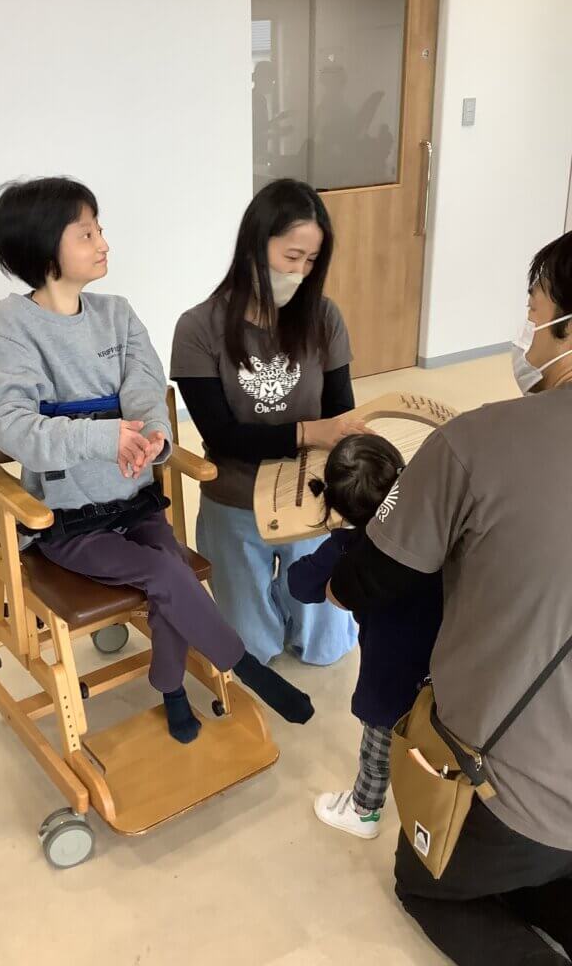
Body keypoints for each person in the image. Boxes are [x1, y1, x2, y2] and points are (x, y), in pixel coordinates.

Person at [0, 176, 314, 749]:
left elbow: (144, 383)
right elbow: (14, 427)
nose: (103, 243)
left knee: (169, 567)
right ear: (44, 248)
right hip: (67, 521)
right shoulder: (9, 328)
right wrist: (104, 438)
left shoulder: (117, 313)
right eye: (86, 234)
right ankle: (241, 666)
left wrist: (153, 432)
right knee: (164, 574)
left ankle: (171, 686)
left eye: (99, 230)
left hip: (133, 501)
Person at [327, 231, 572, 965]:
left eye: (534, 307)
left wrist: (333, 573)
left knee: (426, 884)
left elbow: (369, 579)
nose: (526, 325)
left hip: (514, 795)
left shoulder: (475, 444)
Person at [170, 178, 364, 667]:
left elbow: (340, 410)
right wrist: (307, 432)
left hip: (310, 493)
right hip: (236, 495)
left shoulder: (324, 318)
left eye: (311, 261)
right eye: (291, 256)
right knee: (250, 652)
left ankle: (292, 600)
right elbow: (221, 436)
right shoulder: (198, 328)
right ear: (254, 246)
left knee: (326, 647)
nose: (300, 272)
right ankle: (268, 601)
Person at [288, 435, 442, 839]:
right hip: (448, 656)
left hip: (389, 668)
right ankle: (443, 805)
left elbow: (299, 584)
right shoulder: (435, 524)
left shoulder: (347, 546)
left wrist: (334, 550)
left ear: (336, 505)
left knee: (379, 742)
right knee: (440, 735)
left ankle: (365, 811)